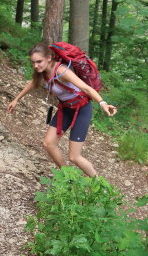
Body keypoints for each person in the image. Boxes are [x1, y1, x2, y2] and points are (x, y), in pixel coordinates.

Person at [7, 42, 117, 177]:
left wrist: (103, 103)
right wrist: (16, 99)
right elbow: (32, 83)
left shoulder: (62, 71)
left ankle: (100, 185)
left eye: (39, 61)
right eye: (33, 62)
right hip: (65, 109)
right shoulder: (42, 72)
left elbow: (86, 88)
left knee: (74, 157)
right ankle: (69, 176)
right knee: (48, 143)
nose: (36, 66)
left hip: (81, 110)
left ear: (49, 58)